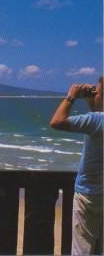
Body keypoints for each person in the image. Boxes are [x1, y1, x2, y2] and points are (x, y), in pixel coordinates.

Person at [50, 77, 103, 255]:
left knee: (83, 248)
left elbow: (57, 122)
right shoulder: (97, 120)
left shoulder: (96, 121)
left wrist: (71, 97)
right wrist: (93, 101)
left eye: (97, 92)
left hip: (89, 194)